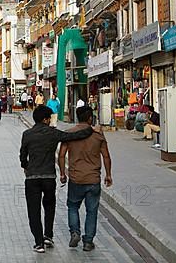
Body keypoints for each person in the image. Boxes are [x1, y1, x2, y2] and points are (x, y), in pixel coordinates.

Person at [19, 105, 95, 253]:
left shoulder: (27, 134)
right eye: (50, 118)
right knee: (49, 207)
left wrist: (26, 166)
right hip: (49, 177)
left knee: (33, 210)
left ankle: (39, 243)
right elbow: (71, 136)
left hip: (32, 178)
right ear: (46, 119)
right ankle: (48, 235)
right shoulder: (53, 133)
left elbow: (22, 155)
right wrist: (89, 129)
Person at [59, 106, 113, 252]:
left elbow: (62, 155)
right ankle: (88, 241)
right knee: (92, 211)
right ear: (90, 118)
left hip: (76, 178)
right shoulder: (98, 135)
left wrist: (63, 174)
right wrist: (108, 175)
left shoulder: (69, 134)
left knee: (72, 206)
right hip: (93, 179)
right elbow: (106, 156)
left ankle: (75, 232)